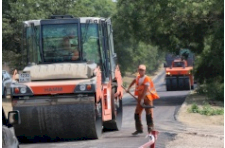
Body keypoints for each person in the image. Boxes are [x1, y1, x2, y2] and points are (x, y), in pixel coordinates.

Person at [126, 64, 159, 135]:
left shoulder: (146, 78)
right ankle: (139, 129)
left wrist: (142, 99)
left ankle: (150, 128)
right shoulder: (138, 77)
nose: (141, 71)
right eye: (140, 70)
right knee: (137, 113)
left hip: (147, 98)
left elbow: (146, 89)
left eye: (142, 70)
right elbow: (134, 81)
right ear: (138, 70)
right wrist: (128, 88)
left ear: (145, 71)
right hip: (140, 97)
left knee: (148, 113)